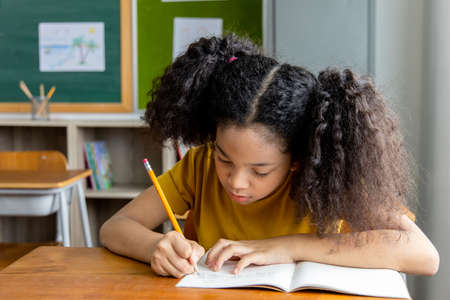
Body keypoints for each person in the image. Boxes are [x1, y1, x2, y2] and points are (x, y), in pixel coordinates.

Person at [100, 34, 439, 278]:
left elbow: (423, 255)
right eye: (224, 159)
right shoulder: (200, 166)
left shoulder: (330, 176)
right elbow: (115, 227)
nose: (236, 181)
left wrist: (288, 246)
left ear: (297, 160)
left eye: (260, 171)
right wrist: (153, 247)